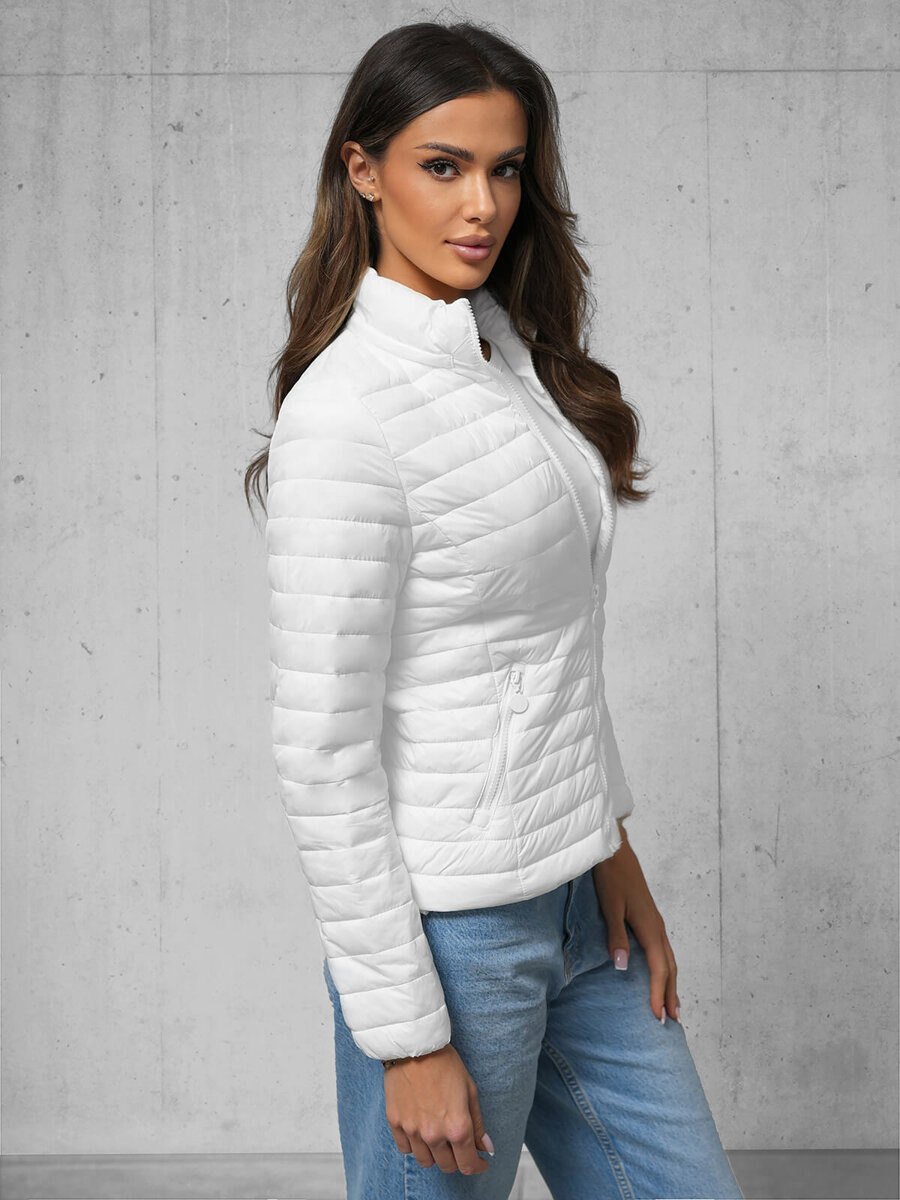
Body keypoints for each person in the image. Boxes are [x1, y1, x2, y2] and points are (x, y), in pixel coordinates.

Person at [244, 19, 744, 1200]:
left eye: (505, 169)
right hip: (452, 941)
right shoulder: (346, 414)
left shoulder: (508, 356)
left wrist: (612, 851)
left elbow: (547, 652)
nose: (482, 205)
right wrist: (408, 1036)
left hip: (580, 906)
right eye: (443, 165)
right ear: (364, 170)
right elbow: (322, 751)